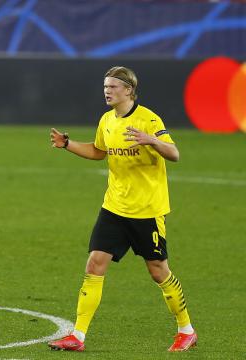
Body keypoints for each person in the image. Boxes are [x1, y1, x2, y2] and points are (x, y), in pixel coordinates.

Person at [47, 66, 196, 352]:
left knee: (158, 271)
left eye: (113, 86)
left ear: (128, 90)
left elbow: (174, 153)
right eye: (105, 86)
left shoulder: (148, 119)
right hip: (114, 207)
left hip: (147, 211)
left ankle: (186, 329)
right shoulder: (107, 120)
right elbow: (98, 151)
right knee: (95, 263)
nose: (107, 91)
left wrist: (151, 140)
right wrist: (67, 144)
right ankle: (77, 336)